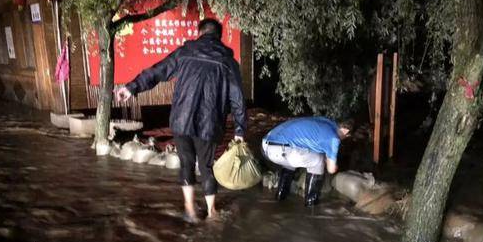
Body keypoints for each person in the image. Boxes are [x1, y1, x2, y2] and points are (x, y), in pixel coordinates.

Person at [115, 18, 246, 223]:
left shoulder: (185, 52)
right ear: (219, 36)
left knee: (186, 163)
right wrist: (240, 130)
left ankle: (189, 208)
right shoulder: (228, 61)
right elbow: (237, 97)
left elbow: (157, 71)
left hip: (181, 120)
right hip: (210, 124)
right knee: (207, 166)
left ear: (199, 33)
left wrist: (132, 87)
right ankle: (212, 212)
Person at [262, 117, 352, 206]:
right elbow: (331, 169)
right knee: (318, 160)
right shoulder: (333, 139)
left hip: (266, 145)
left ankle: (280, 197)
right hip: (280, 150)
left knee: (294, 158)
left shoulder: (326, 122)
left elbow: (311, 141)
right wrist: (333, 165)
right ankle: (311, 203)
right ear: (346, 132)